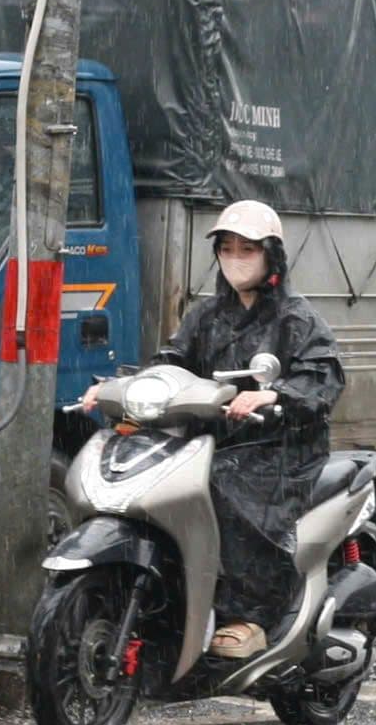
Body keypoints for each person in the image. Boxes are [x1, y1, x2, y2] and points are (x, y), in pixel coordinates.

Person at [79, 200, 345, 658]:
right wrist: (121, 387)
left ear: (272, 256)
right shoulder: (207, 315)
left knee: (225, 488)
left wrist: (274, 394)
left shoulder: (296, 319)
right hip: (212, 441)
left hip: (280, 448)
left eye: (248, 249)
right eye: (227, 248)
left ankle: (251, 615)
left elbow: (324, 378)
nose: (236, 258)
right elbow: (173, 360)